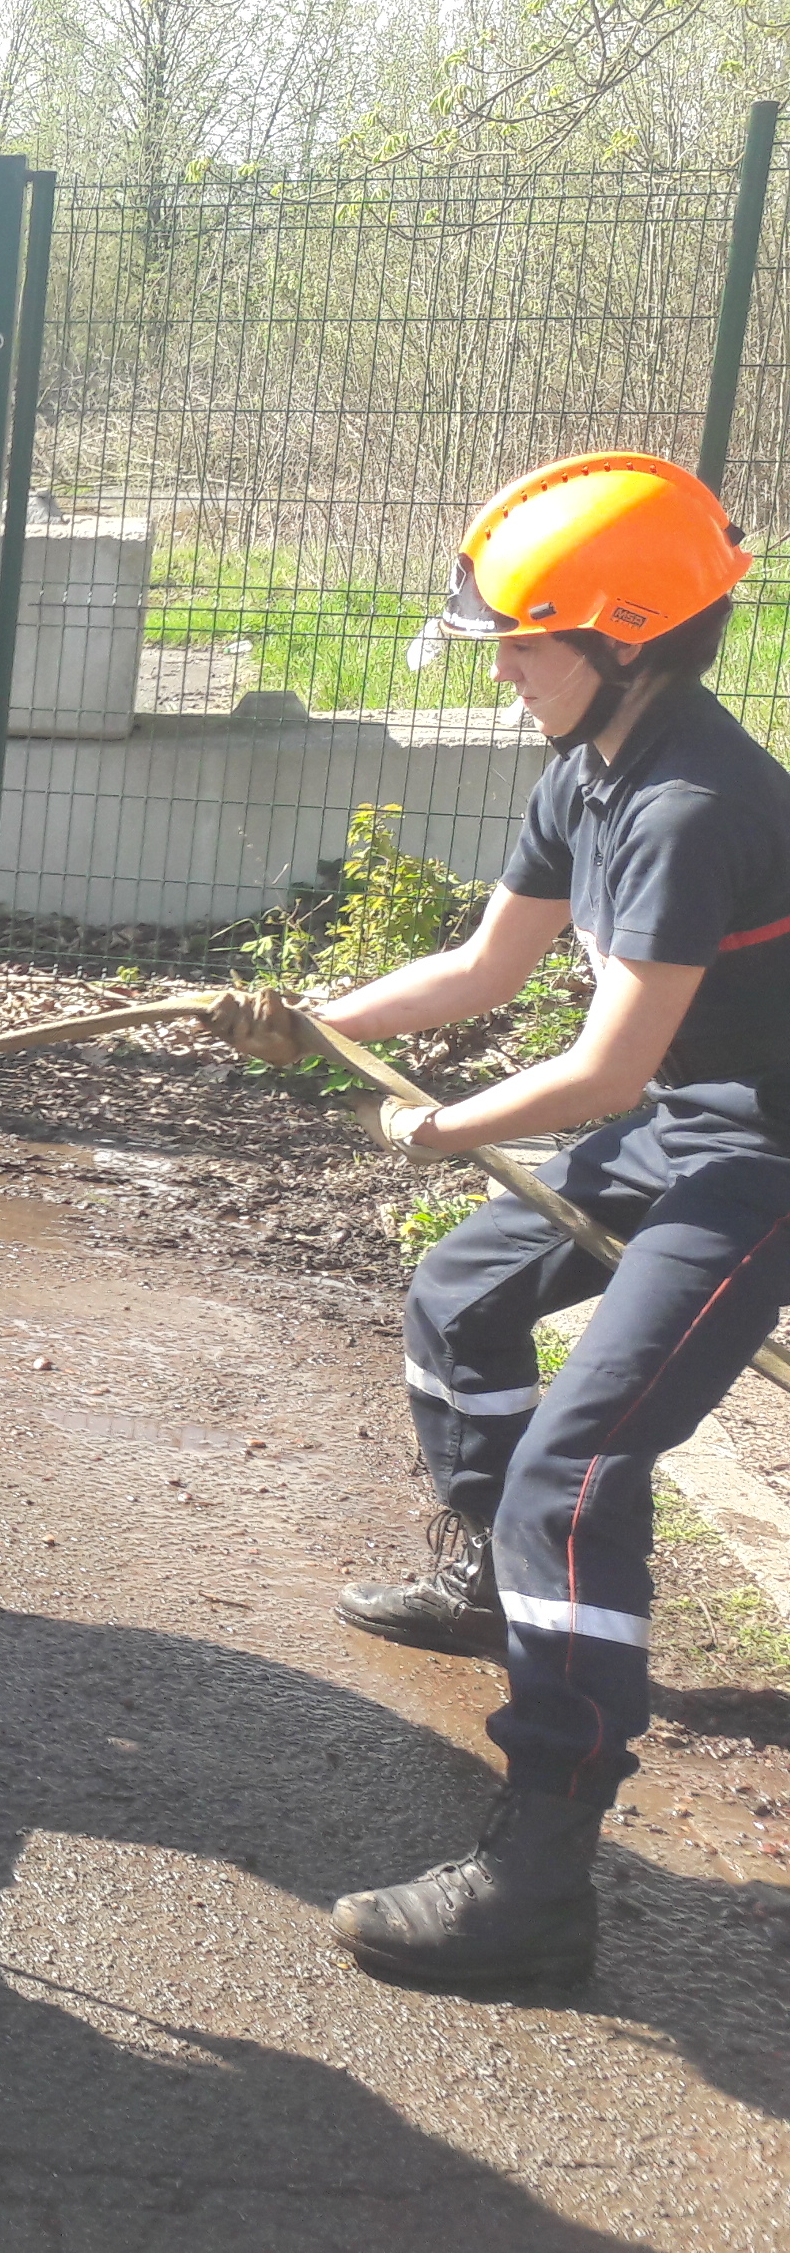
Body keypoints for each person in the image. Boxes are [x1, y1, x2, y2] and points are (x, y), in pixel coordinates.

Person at [210, 450, 782, 1988]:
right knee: (462, 1295)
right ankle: (489, 1585)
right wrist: (315, 1019)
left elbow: (608, 1064)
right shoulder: (586, 771)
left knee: (580, 1472)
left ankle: (540, 1881)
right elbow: (479, 971)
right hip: (681, 1127)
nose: (509, 666)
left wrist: (439, 1122)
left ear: (631, 637)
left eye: (527, 640)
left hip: (758, 1168)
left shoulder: (691, 804)